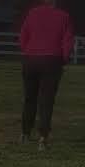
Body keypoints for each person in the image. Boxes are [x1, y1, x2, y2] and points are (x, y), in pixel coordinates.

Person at [19, 0, 74, 151]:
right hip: (52, 60)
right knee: (46, 100)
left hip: (31, 59)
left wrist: (28, 52)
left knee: (30, 98)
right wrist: (64, 58)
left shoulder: (32, 13)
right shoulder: (64, 16)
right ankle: (43, 137)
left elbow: (23, 35)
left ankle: (25, 133)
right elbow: (67, 40)